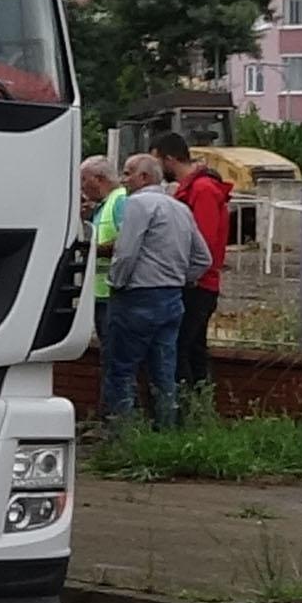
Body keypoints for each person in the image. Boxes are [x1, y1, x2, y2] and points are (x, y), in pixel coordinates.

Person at [98, 153, 209, 430]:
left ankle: (123, 435)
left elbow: (126, 252)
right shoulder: (179, 208)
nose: (123, 180)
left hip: (137, 296)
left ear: (144, 177)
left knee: (121, 369)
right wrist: (182, 278)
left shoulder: (138, 204)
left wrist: (117, 282)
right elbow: (203, 258)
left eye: (127, 173)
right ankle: (166, 432)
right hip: (171, 298)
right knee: (163, 372)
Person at [154, 132, 232, 388]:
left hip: (197, 284)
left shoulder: (202, 190)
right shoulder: (193, 189)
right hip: (195, 282)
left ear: (169, 159)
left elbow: (203, 242)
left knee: (180, 347)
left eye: (156, 161)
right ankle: (198, 405)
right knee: (194, 347)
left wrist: (188, 275)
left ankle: (185, 407)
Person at [79, 153, 123, 328]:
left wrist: (90, 250)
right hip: (101, 292)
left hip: (111, 293)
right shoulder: (103, 205)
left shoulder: (120, 200)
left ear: (98, 179)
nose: (81, 186)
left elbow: (128, 243)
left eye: (84, 180)